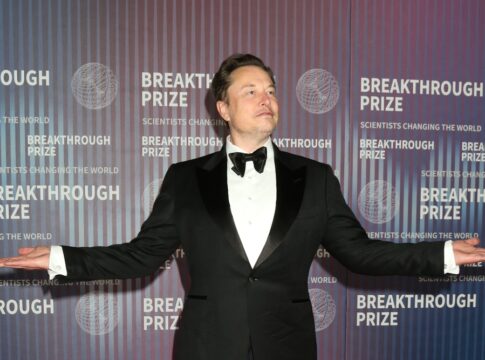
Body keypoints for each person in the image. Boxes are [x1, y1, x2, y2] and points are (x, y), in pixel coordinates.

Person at [0, 53, 484, 360]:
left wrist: (441, 253)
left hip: (288, 346)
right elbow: (141, 257)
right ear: (223, 108)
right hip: (208, 347)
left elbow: (360, 253)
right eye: (250, 90)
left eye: (271, 90)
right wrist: (60, 258)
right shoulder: (185, 179)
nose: (266, 98)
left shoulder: (315, 178)